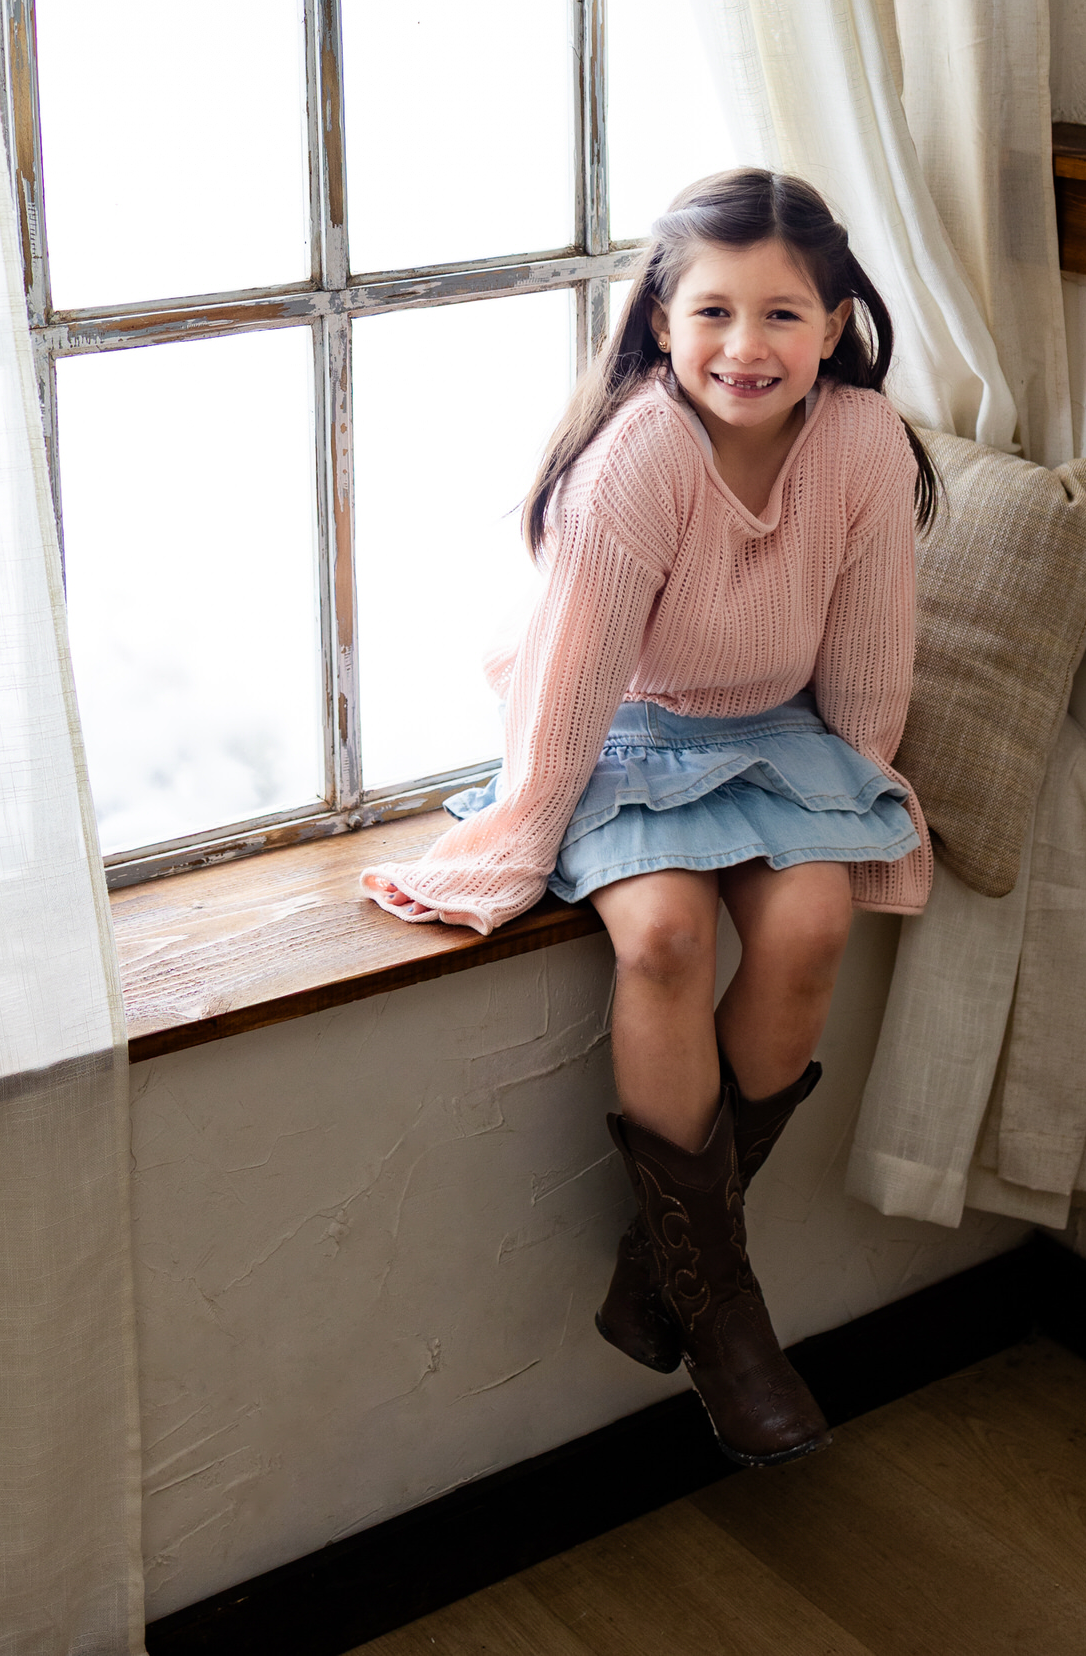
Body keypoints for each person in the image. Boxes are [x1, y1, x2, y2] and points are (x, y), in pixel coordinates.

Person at [361, 168, 938, 1469]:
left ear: (837, 321)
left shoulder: (858, 442)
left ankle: (662, 1275)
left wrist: (857, 795)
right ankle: (728, 1319)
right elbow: (570, 677)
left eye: (784, 315)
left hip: (777, 737)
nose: (748, 348)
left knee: (805, 928)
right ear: (662, 324)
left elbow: (867, 653)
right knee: (666, 939)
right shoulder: (638, 455)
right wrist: (518, 836)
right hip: (625, 729)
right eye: (715, 313)